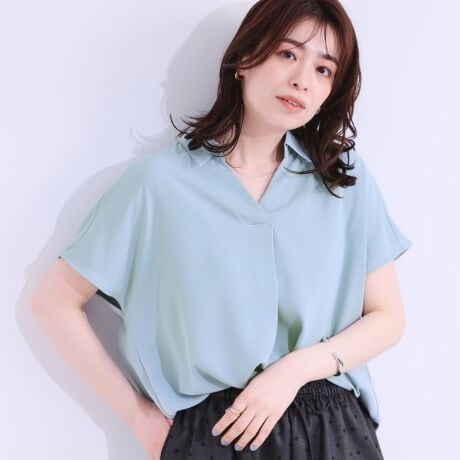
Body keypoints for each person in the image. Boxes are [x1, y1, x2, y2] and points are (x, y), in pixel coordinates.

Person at [31, 0, 413, 458]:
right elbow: (55, 300)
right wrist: (137, 416)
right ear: (245, 57)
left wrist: (294, 370)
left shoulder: (342, 181)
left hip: (329, 429)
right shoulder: (159, 186)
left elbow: (388, 316)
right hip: (215, 435)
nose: (302, 80)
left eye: (324, 69)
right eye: (287, 54)